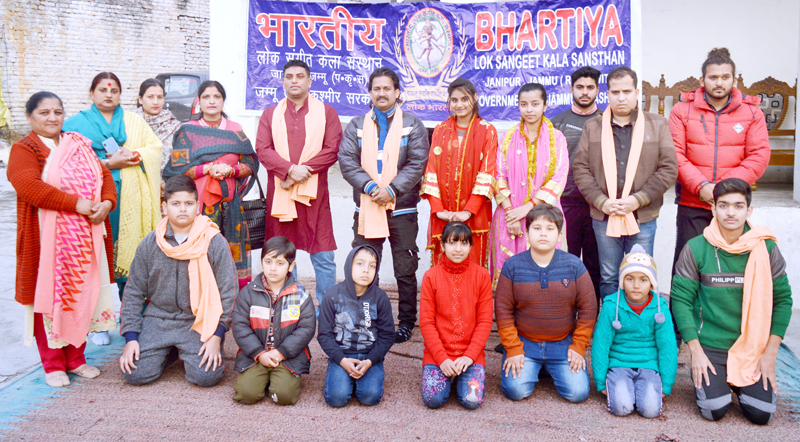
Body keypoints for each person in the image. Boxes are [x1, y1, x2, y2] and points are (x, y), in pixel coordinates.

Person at [9, 92, 117, 387]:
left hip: (85, 240)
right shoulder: (25, 148)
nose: (52, 118)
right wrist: (76, 204)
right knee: (50, 300)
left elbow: (103, 177)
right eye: (44, 113)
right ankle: (53, 364)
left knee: (83, 295)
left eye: (57, 112)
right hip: (46, 243)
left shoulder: (77, 144)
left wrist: (106, 204)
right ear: (30, 117)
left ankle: (77, 359)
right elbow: (28, 186)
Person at [668, 48, 770, 344]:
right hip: (692, 202)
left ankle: (726, 327)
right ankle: (679, 330)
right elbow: (676, 155)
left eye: (725, 77)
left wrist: (723, 192)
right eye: (713, 77)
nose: (719, 82)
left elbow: (759, 155)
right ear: (703, 79)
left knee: (729, 269)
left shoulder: (752, 113)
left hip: (732, 207)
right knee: (686, 266)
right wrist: (702, 187)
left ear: (734, 79)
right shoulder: (681, 111)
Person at [672, 178, 792, 425]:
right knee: (714, 410)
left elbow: (783, 301)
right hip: (711, 347)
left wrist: (770, 353)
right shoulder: (696, 248)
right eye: (724, 205)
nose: (730, 212)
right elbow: (681, 300)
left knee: (761, 415)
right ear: (713, 208)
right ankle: (724, 381)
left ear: (749, 210)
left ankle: (739, 382)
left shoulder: (766, 248)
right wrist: (695, 351)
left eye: (738, 206)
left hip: (753, 347)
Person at [63, 72, 162, 346]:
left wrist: (136, 155)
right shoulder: (75, 123)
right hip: (92, 202)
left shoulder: (134, 121)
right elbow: (67, 161)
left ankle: (132, 318)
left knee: (133, 260)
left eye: (114, 90)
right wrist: (107, 164)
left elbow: (154, 147)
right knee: (95, 259)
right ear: (92, 93)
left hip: (131, 200)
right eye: (103, 89)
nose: (109, 94)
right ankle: (97, 325)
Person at [338, 67, 430, 343]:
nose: (381, 93)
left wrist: (391, 189)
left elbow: (417, 163)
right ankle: (370, 320)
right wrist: (370, 188)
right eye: (376, 88)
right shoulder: (356, 125)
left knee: (405, 269)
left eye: (387, 88)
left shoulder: (412, 124)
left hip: (401, 209)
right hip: (367, 207)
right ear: (370, 92)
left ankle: (405, 323)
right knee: (366, 267)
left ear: (397, 92)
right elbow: (347, 161)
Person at [118, 175, 237, 387]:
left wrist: (217, 336)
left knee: (206, 377)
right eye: (175, 204)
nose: (182, 209)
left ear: (197, 206)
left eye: (189, 204)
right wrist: (131, 338)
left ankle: (184, 350)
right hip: (158, 318)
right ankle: (169, 351)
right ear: (164, 207)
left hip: (197, 320)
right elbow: (134, 291)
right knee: (134, 374)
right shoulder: (151, 242)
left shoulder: (213, 240)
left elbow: (228, 291)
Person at [572, 66, 678, 299]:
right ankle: (611, 324)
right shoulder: (593, 126)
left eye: (627, 91)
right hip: (604, 215)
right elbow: (580, 169)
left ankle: (639, 327)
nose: (621, 97)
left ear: (636, 93)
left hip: (643, 215)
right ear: (607, 94)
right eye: (615, 92)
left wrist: (637, 200)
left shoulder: (657, 124)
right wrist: (601, 201)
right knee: (609, 275)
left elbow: (669, 168)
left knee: (641, 273)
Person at [255, 60, 342, 308]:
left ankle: (326, 310)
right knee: (278, 255)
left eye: (300, 76)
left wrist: (300, 172)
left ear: (309, 81)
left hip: (314, 197)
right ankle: (281, 306)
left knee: (323, 255)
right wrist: (290, 170)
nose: (294, 80)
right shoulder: (270, 114)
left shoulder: (326, 112)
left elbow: (332, 149)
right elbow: (262, 149)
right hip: (280, 197)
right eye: (289, 76)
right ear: (282, 81)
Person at [495, 205, 597, 403]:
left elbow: (588, 308)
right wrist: (513, 348)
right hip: (525, 343)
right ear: (527, 233)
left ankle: (547, 367)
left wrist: (578, 346)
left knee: (578, 393)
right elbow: (503, 310)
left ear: (559, 236)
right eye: (537, 228)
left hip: (562, 343)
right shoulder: (512, 266)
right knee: (515, 391)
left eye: (550, 229)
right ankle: (535, 366)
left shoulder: (574, 265)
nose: (543, 234)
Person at [163, 80, 259, 289]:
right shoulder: (187, 131)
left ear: (223, 101)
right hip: (197, 209)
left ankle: (228, 309)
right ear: (199, 102)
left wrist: (231, 170)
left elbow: (250, 163)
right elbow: (176, 170)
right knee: (197, 259)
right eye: (206, 97)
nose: (212, 101)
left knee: (227, 262)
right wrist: (206, 169)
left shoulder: (236, 131)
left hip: (231, 208)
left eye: (217, 96)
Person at [490, 83, 569, 284]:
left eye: (535, 104)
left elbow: (559, 178)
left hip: (545, 215)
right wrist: (511, 216)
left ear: (545, 105)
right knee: (510, 274)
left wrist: (527, 208)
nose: (529, 109)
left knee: (545, 273)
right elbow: (499, 175)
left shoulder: (557, 139)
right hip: (510, 216)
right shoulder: (508, 137)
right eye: (524, 104)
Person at [591, 244, 678, 418]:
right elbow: (601, 345)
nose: (636, 285)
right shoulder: (611, 306)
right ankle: (621, 388)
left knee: (650, 410)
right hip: (619, 365)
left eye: (643, 280)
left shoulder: (660, 309)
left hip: (648, 365)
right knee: (622, 408)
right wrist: (601, 381)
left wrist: (666, 384)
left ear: (652, 283)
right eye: (630, 279)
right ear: (622, 281)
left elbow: (667, 347)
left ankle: (641, 390)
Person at [421, 78, 497, 268]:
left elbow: (487, 174)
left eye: (465, 99)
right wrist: (439, 211)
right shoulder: (440, 130)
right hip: (443, 214)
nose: (459, 104)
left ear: (475, 98)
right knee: (444, 265)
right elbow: (430, 172)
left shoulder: (488, 131)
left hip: (475, 213)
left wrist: (468, 211)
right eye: (454, 100)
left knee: (473, 265)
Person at [232, 236, 315, 405]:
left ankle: (281, 378)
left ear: (291, 266)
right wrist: (258, 353)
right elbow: (240, 326)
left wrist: (281, 352)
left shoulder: (300, 294)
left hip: (287, 356)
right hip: (255, 355)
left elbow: (306, 328)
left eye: (280, 263)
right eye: (268, 262)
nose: (273, 268)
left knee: (283, 396)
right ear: (261, 262)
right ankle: (262, 377)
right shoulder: (248, 292)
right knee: (246, 395)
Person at [419, 222, 493, 409]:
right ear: (442, 246)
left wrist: (469, 356)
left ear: (470, 246)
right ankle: (446, 376)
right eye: (452, 243)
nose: (458, 249)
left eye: (464, 243)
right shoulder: (431, 277)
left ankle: (461, 378)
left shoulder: (482, 276)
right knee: (433, 400)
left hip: (470, 356)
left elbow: (484, 322)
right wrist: (441, 358)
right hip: (438, 355)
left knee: (471, 401)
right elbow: (426, 323)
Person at [317, 245, 395, 407]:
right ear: (349, 266)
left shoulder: (380, 298)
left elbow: (387, 335)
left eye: (372, 266)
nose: (366, 270)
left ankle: (361, 378)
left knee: (370, 398)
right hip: (342, 356)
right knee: (336, 399)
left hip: (370, 356)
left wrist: (371, 360)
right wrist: (341, 359)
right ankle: (343, 377)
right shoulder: (332, 296)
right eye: (360, 264)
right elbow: (324, 335)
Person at [551, 66, 603, 302]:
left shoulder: (607, 121)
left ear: (597, 90)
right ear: (571, 89)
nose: (585, 92)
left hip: (597, 206)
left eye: (590, 87)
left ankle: (590, 316)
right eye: (580, 87)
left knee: (595, 265)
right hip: (565, 204)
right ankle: (565, 312)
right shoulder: (556, 123)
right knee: (565, 262)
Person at [134, 78, 182, 175]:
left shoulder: (174, 126)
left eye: (160, 97)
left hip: (166, 182)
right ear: (140, 100)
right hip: (136, 179)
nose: (155, 102)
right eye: (150, 97)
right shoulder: (130, 122)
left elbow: (180, 160)